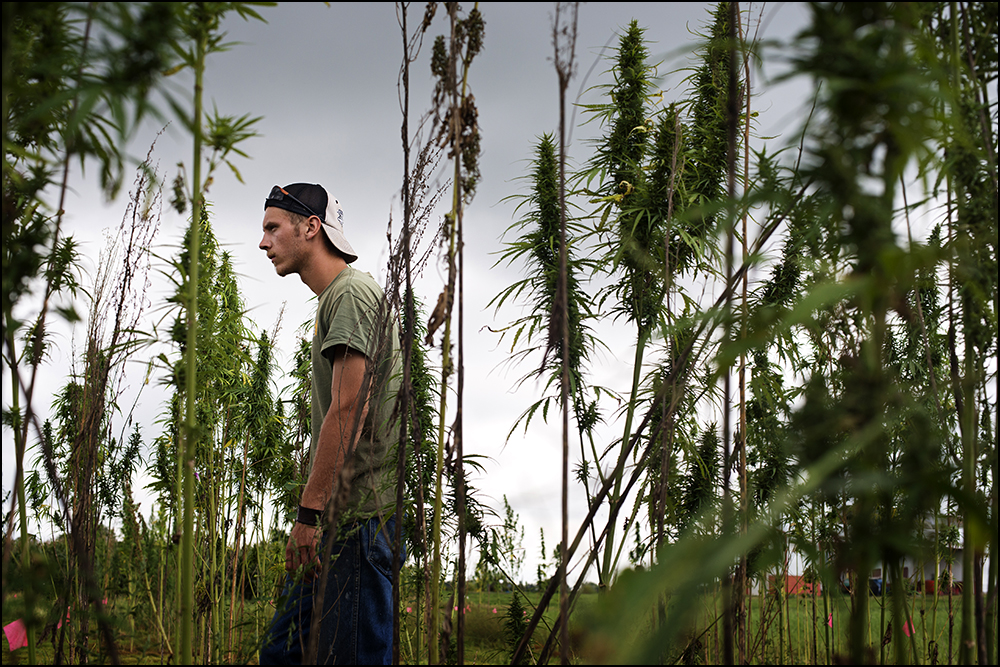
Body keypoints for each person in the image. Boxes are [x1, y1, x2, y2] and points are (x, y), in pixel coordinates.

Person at [257, 183, 403, 665]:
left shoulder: (350, 295)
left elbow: (348, 410)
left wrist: (308, 514)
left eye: (272, 228)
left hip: (358, 524)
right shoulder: (337, 299)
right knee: (282, 652)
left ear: (311, 227)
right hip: (341, 527)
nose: (263, 243)